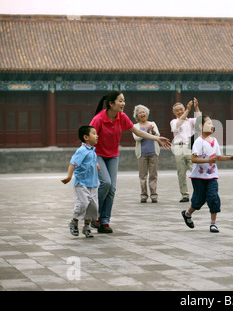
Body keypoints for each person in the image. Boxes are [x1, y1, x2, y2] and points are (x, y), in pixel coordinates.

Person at [89, 91, 171, 233]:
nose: (123, 104)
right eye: (120, 101)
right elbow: (88, 140)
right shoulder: (99, 119)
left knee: (112, 188)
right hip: (97, 154)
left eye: (124, 100)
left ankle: (104, 221)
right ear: (111, 103)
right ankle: (94, 215)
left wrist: (156, 138)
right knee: (106, 183)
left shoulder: (122, 117)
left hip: (113, 155)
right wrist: (90, 159)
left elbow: (138, 132)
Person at [181, 115, 233, 233]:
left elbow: (217, 157)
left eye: (212, 123)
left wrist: (228, 158)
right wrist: (208, 160)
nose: (212, 126)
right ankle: (187, 214)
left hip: (212, 176)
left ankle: (213, 224)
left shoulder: (214, 141)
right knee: (198, 201)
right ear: (201, 126)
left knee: (213, 197)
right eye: (209, 123)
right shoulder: (198, 141)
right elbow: (194, 159)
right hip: (198, 177)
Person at [61, 126, 100, 238]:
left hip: (93, 183)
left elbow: (91, 161)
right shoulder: (81, 150)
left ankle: (86, 226)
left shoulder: (92, 150)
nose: (97, 136)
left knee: (93, 206)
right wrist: (69, 177)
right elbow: (73, 163)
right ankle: (74, 221)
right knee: (83, 204)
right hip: (81, 183)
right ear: (86, 137)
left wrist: (96, 164)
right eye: (94, 133)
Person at [170, 98, 201, 202]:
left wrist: (196, 108)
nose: (180, 112)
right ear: (174, 113)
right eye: (177, 110)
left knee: (194, 171)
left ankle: (198, 194)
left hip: (190, 146)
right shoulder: (174, 122)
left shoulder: (191, 121)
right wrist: (187, 110)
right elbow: (177, 125)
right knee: (181, 172)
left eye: (181, 109)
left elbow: (200, 121)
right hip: (179, 147)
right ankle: (185, 195)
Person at [132, 104, 160, 203]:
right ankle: (143, 195)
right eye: (140, 113)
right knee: (143, 175)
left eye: (144, 112)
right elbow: (137, 138)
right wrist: (146, 132)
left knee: (153, 175)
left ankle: (154, 195)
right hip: (142, 154)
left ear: (147, 114)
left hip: (153, 152)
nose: (142, 114)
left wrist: (152, 131)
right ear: (137, 115)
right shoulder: (135, 126)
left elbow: (158, 135)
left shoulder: (152, 123)